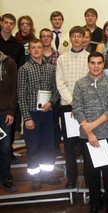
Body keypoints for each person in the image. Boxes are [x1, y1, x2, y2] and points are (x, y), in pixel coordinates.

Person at [72, 51, 108, 213]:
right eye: (93, 63)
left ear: (103, 64)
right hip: (87, 136)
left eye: (99, 63)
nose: (96, 66)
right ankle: (95, 202)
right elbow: (77, 108)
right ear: (88, 64)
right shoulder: (80, 84)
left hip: (107, 134)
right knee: (91, 173)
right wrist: (89, 131)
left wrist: (94, 125)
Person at [18, 38, 60, 190]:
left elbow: (55, 90)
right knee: (33, 147)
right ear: (29, 50)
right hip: (32, 115)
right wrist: (27, 117)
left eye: (39, 47)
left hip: (47, 114)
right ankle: (35, 177)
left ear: (43, 49)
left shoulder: (50, 68)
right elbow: (21, 95)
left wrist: (51, 103)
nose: (36, 50)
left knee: (48, 146)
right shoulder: (24, 69)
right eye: (33, 47)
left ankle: (46, 175)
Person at [56, 26, 90, 189]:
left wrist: (80, 103)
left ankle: (90, 176)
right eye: (73, 36)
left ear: (84, 38)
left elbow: (92, 82)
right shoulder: (62, 58)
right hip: (67, 107)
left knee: (85, 142)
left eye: (79, 36)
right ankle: (72, 177)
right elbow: (60, 83)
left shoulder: (89, 58)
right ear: (70, 38)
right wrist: (72, 102)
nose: (76, 39)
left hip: (86, 107)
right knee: (69, 145)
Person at [0, 13, 25, 163]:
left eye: (11, 23)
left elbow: (21, 66)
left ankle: (8, 154)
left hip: (11, 88)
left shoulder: (18, 44)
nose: (8, 26)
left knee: (9, 128)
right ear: (1, 23)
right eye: (6, 23)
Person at [40, 28, 61, 157]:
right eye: (43, 36)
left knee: (54, 123)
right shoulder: (35, 54)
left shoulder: (58, 55)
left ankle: (56, 147)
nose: (46, 38)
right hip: (39, 95)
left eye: (48, 36)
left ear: (52, 39)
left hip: (55, 94)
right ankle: (42, 148)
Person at [0, 51, 17, 193]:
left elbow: (13, 89)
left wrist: (11, 111)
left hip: (4, 114)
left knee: (5, 148)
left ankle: (5, 178)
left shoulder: (9, 62)